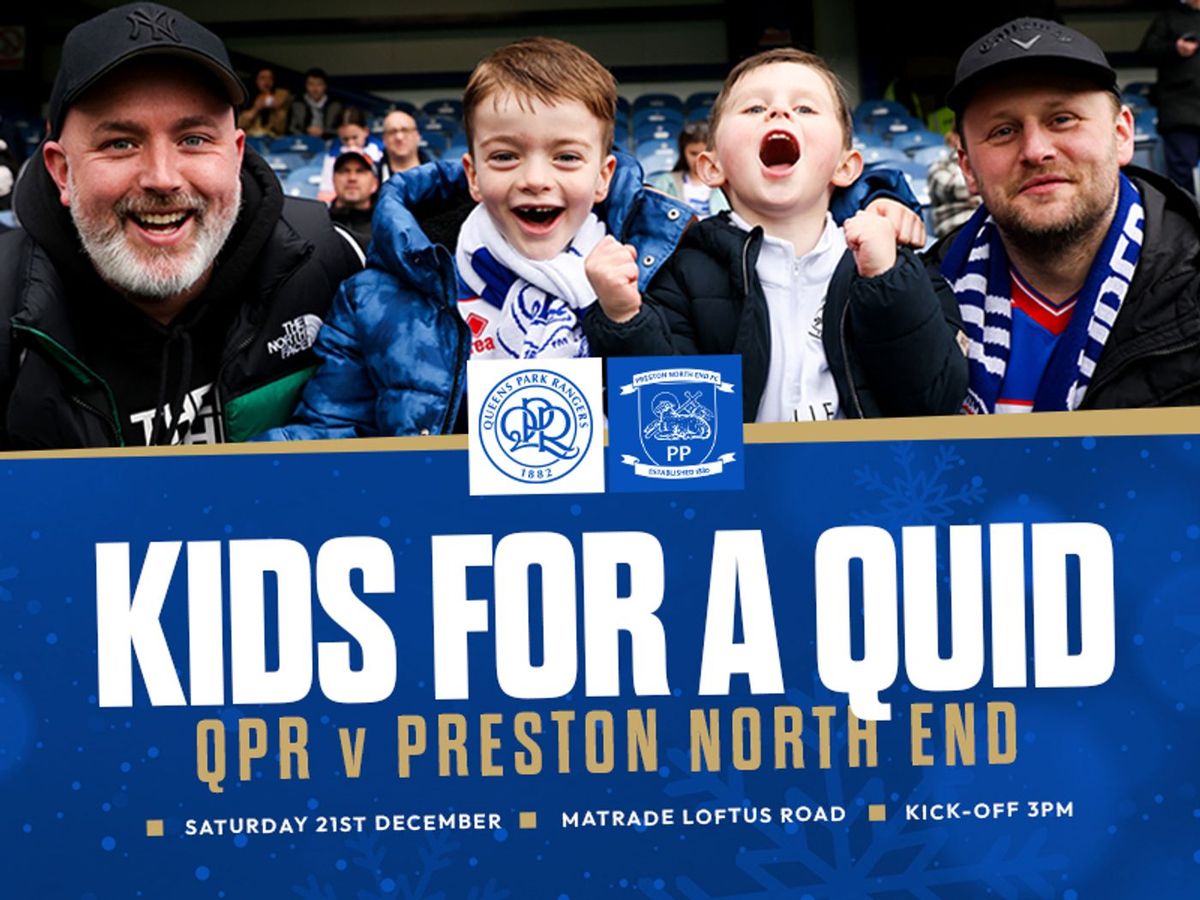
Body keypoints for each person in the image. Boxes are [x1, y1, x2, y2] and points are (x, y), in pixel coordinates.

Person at [264, 38, 924, 439]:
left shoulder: (665, 268)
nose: (535, 179)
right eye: (504, 157)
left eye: (566, 158)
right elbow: (327, 439)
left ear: (605, 175)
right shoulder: (381, 297)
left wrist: (882, 196)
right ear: (468, 173)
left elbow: (690, 430)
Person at [0, 3, 362, 449]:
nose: (163, 178)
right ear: (61, 172)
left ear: (235, 155)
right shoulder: (7, 306)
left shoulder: (332, 263)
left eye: (194, 139)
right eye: (120, 143)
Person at [584, 48, 967, 422]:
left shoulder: (897, 267)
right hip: (744, 486)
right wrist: (624, 319)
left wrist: (886, 281)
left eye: (805, 108)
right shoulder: (682, 274)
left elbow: (936, 403)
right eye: (753, 108)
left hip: (868, 483)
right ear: (711, 167)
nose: (779, 112)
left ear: (846, 166)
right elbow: (665, 421)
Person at [939, 16, 1200, 412]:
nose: (1036, 150)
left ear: (1122, 135)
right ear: (968, 168)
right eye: (1003, 131)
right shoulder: (920, 298)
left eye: (1062, 119)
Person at [1139, 1, 1200, 192]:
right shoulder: (1169, 17)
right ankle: (1186, 219)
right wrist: (1175, 48)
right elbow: (1146, 53)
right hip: (1180, 107)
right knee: (1181, 172)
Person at [648, 121, 729, 216]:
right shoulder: (665, 183)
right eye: (693, 153)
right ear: (683, 152)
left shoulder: (727, 182)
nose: (699, 159)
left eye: (705, 152)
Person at [317, 107, 384, 203]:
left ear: (366, 131)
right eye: (345, 139)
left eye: (355, 137)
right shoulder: (332, 156)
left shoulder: (381, 153)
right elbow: (324, 194)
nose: (351, 143)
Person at [927, 131, 981, 238]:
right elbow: (949, 189)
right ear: (954, 138)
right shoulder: (940, 166)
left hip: (984, 224)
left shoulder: (982, 162)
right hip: (955, 228)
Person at [329, 149, 379, 252]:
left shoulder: (386, 227)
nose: (352, 178)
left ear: (375, 183)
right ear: (333, 180)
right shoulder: (321, 223)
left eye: (360, 171)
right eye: (344, 171)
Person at [288, 67, 344, 139]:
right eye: (311, 84)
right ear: (306, 86)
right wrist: (306, 131)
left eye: (319, 84)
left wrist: (324, 132)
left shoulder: (335, 105)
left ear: (325, 86)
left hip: (329, 140)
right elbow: (291, 128)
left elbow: (342, 129)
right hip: (303, 140)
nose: (315, 88)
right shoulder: (297, 104)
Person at [238, 67, 291, 138]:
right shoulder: (244, 96)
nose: (267, 81)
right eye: (263, 78)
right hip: (250, 138)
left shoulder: (278, 97)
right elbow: (239, 124)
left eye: (270, 78)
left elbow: (280, 130)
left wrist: (277, 109)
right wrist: (255, 109)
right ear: (256, 80)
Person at [379, 109, 423, 180]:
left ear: (417, 136)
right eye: (392, 132)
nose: (399, 137)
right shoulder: (372, 177)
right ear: (384, 139)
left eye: (405, 130)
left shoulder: (438, 175)